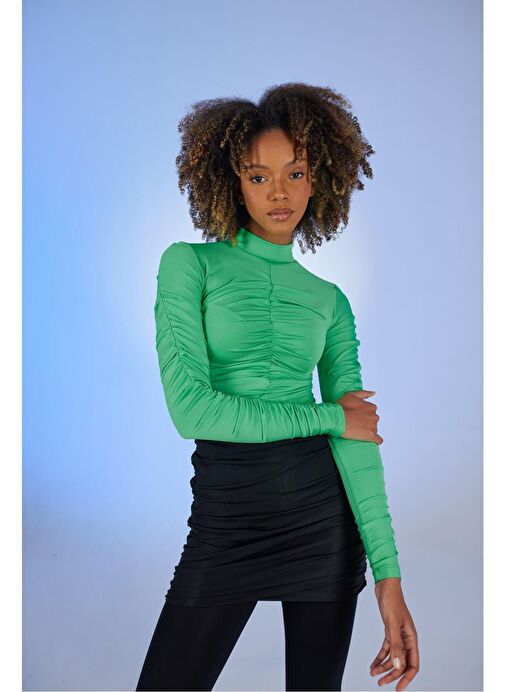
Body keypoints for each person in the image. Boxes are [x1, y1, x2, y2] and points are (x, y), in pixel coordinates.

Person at [136, 82, 419, 691]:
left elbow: (358, 442)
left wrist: (389, 577)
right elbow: (192, 412)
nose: (279, 192)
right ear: (232, 182)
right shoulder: (188, 265)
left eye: (295, 173)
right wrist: (327, 417)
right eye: (258, 176)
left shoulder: (330, 301)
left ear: (320, 179)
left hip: (323, 526)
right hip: (227, 518)